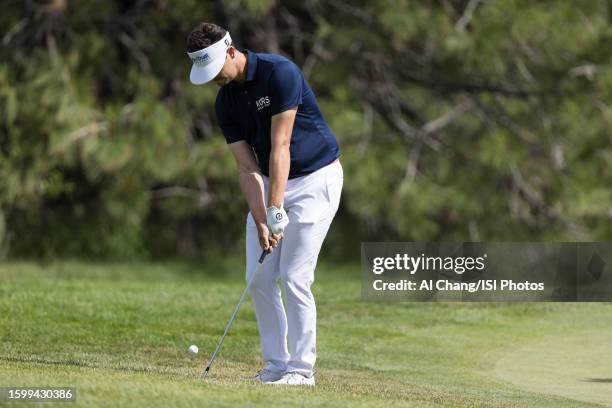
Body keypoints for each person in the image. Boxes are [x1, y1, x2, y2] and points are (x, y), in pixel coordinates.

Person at [186, 22, 343, 386]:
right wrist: (261, 218)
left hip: (315, 178)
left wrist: (276, 209)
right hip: (272, 181)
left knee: (294, 276)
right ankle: (276, 364)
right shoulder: (225, 102)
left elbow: (281, 145)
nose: (214, 79)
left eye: (215, 70)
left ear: (230, 50)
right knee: (258, 278)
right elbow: (246, 165)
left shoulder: (279, 73)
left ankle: (302, 371)